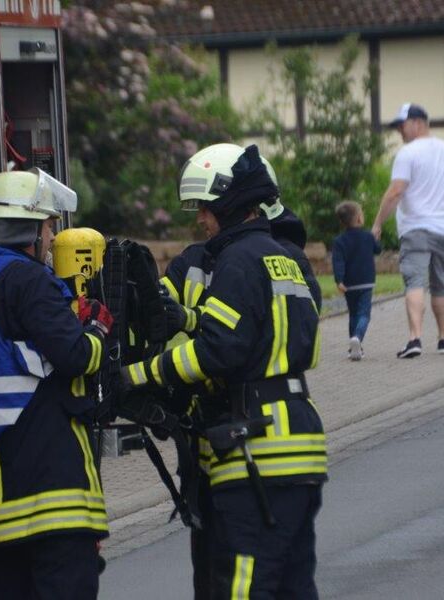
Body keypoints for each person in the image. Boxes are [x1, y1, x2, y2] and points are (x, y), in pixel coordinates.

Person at [123, 143, 326, 598]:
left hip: (254, 452)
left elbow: (218, 351)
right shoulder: (287, 260)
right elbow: (276, 334)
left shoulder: (237, 260)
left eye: (207, 209)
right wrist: (191, 320)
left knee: (243, 586)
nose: (201, 219)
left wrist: (138, 377)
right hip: (301, 442)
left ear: (230, 206)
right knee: (294, 586)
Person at [0, 168, 113, 599]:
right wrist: (97, 327)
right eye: (47, 226)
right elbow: (76, 357)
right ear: (27, 228)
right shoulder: (25, 279)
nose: (50, 238)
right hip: (53, 501)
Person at [372, 103, 444, 358]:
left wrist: (378, 223)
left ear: (417, 122)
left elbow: (396, 191)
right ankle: (443, 338)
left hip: (416, 229)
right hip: (442, 229)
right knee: (440, 286)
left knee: (414, 282)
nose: (400, 132)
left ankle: (414, 339)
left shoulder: (408, 153)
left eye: (402, 126)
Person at [332, 201, 381, 361]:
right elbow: (377, 250)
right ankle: (358, 338)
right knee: (364, 314)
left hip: (349, 284)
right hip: (366, 282)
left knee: (353, 314)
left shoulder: (339, 241)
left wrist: (339, 280)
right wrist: (376, 237)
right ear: (359, 218)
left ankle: (353, 348)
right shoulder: (368, 236)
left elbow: (338, 261)